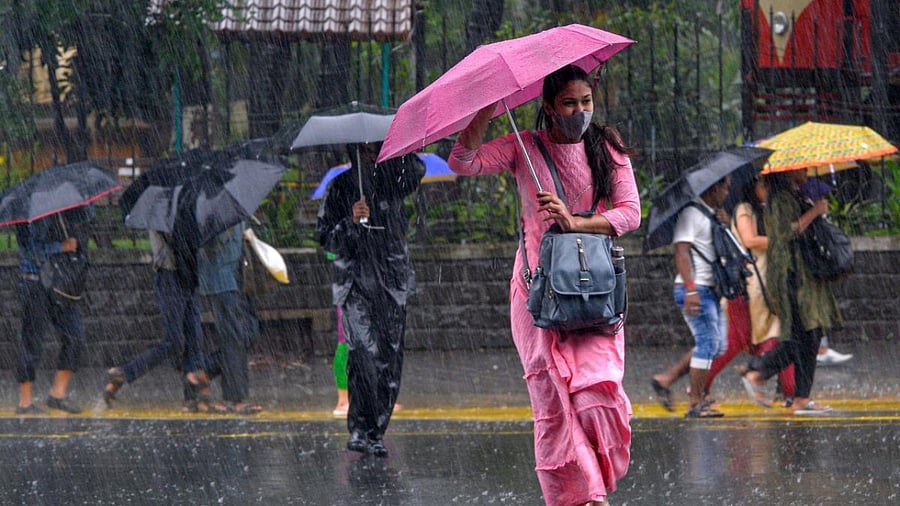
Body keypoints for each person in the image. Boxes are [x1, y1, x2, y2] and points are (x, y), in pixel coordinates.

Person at [449, 64, 640, 506]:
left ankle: (595, 482)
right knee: (553, 402)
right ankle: (585, 496)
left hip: (594, 292)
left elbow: (629, 213)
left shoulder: (607, 148)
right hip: (537, 293)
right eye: (569, 104)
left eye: (586, 102)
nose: (580, 112)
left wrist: (577, 222)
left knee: (598, 390)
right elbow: (462, 161)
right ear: (549, 108)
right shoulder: (525, 147)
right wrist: (487, 109)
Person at [316, 141, 425, 457]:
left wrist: (398, 149)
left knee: (388, 360)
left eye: (375, 148)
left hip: (391, 281)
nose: (369, 154)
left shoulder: (395, 180)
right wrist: (351, 221)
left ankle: (376, 430)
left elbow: (416, 170)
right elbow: (326, 237)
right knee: (361, 353)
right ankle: (360, 427)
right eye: (362, 149)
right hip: (354, 282)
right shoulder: (340, 187)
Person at [741, 169, 843, 415]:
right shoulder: (780, 199)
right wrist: (814, 212)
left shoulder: (794, 195)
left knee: (811, 333)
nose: (806, 172)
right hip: (792, 277)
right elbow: (783, 233)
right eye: (802, 169)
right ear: (789, 171)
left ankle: (800, 396)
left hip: (804, 276)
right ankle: (759, 372)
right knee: (802, 335)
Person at [705, 176, 795, 407]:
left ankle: (785, 390)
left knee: (769, 338)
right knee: (774, 336)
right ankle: (784, 390)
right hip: (755, 283)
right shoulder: (745, 209)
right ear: (753, 187)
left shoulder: (762, 210)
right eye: (763, 185)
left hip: (765, 280)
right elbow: (750, 240)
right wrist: (783, 238)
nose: (767, 189)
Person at [651, 174, 731, 419]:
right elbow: (681, 253)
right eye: (725, 187)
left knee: (717, 345)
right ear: (714, 186)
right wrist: (691, 289)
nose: (727, 192)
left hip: (711, 289)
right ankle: (695, 403)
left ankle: (666, 379)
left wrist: (723, 225)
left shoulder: (711, 214)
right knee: (707, 344)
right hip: (696, 289)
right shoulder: (691, 214)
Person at [102, 229, 210, 410]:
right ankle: (125, 372)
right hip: (169, 275)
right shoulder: (162, 209)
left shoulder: (185, 205)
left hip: (188, 274)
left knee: (194, 338)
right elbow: (176, 242)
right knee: (174, 341)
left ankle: (191, 399)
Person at [13, 209, 92, 414]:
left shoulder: (61, 209)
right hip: (34, 281)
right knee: (32, 341)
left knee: (75, 336)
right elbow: (30, 250)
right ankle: (25, 402)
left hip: (59, 283)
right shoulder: (29, 211)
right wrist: (61, 246)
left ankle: (57, 394)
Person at [193, 223, 263, 414]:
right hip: (221, 281)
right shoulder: (211, 209)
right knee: (234, 338)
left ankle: (204, 371)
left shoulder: (231, 205)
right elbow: (205, 245)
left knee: (250, 332)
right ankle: (237, 398)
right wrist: (225, 234)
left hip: (239, 279)